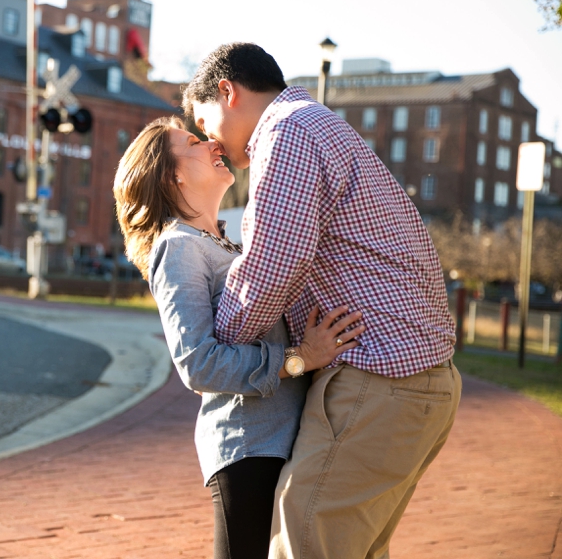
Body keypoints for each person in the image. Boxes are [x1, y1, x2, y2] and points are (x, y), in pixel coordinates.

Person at [183, 42, 462, 559]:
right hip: (416, 383)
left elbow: (271, 268)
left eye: (204, 123)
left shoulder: (286, 133)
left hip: (377, 382)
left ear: (227, 92)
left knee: (302, 547)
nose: (210, 141)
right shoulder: (321, 125)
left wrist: (218, 351)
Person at [113, 116, 364, 559]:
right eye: (193, 142)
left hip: (285, 441)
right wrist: (298, 359)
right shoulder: (179, 247)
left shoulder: (226, 243)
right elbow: (198, 363)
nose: (212, 142)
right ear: (172, 173)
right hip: (249, 448)